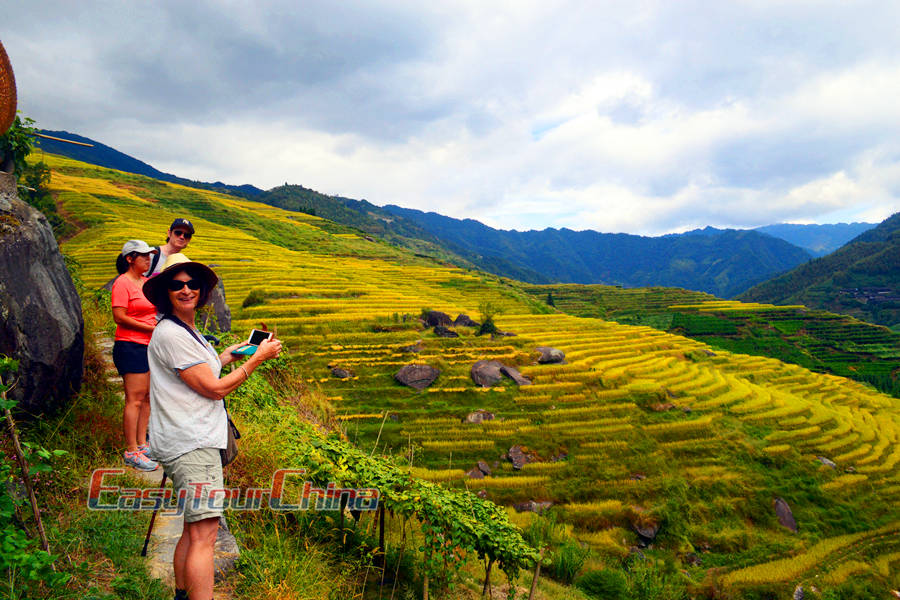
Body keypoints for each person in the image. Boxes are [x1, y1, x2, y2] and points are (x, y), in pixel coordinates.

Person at [143, 253, 282, 600]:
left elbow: (198, 373)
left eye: (193, 284)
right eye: (177, 285)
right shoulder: (172, 334)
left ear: (202, 291)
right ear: (166, 293)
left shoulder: (184, 329)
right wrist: (256, 361)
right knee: (205, 537)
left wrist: (226, 357)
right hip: (192, 443)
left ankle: (180, 594)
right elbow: (214, 388)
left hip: (188, 439)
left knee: (193, 530)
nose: (186, 289)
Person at [111, 240, 159, 471]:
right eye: (143, 256)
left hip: (149, 346)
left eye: (149, 256)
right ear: (130, 258)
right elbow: (119, 317)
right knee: (135, 399)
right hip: (130, 345)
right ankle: (131, 450)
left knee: (148, 397)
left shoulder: (146, 283)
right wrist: (150, 329)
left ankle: (142, 443)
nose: (148, 260)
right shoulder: (123, 283)